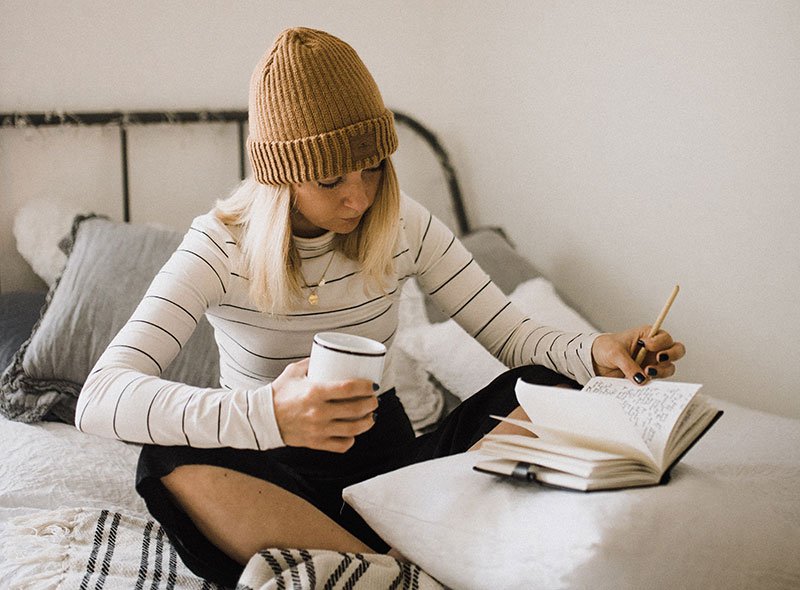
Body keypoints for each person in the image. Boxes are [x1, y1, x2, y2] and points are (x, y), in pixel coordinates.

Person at [75, 27, 685, 587]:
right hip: (275, 488)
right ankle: (396, 569)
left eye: (372, 170)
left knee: (543, 385)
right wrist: (267, 414)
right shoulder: (218, 246)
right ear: (282, 178)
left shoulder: (403, 225)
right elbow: (99, 397)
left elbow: (513, 334)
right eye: (332, 181)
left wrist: (594, 351)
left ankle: (371, 563)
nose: (359, 197)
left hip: (398, 478)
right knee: (164, 459)